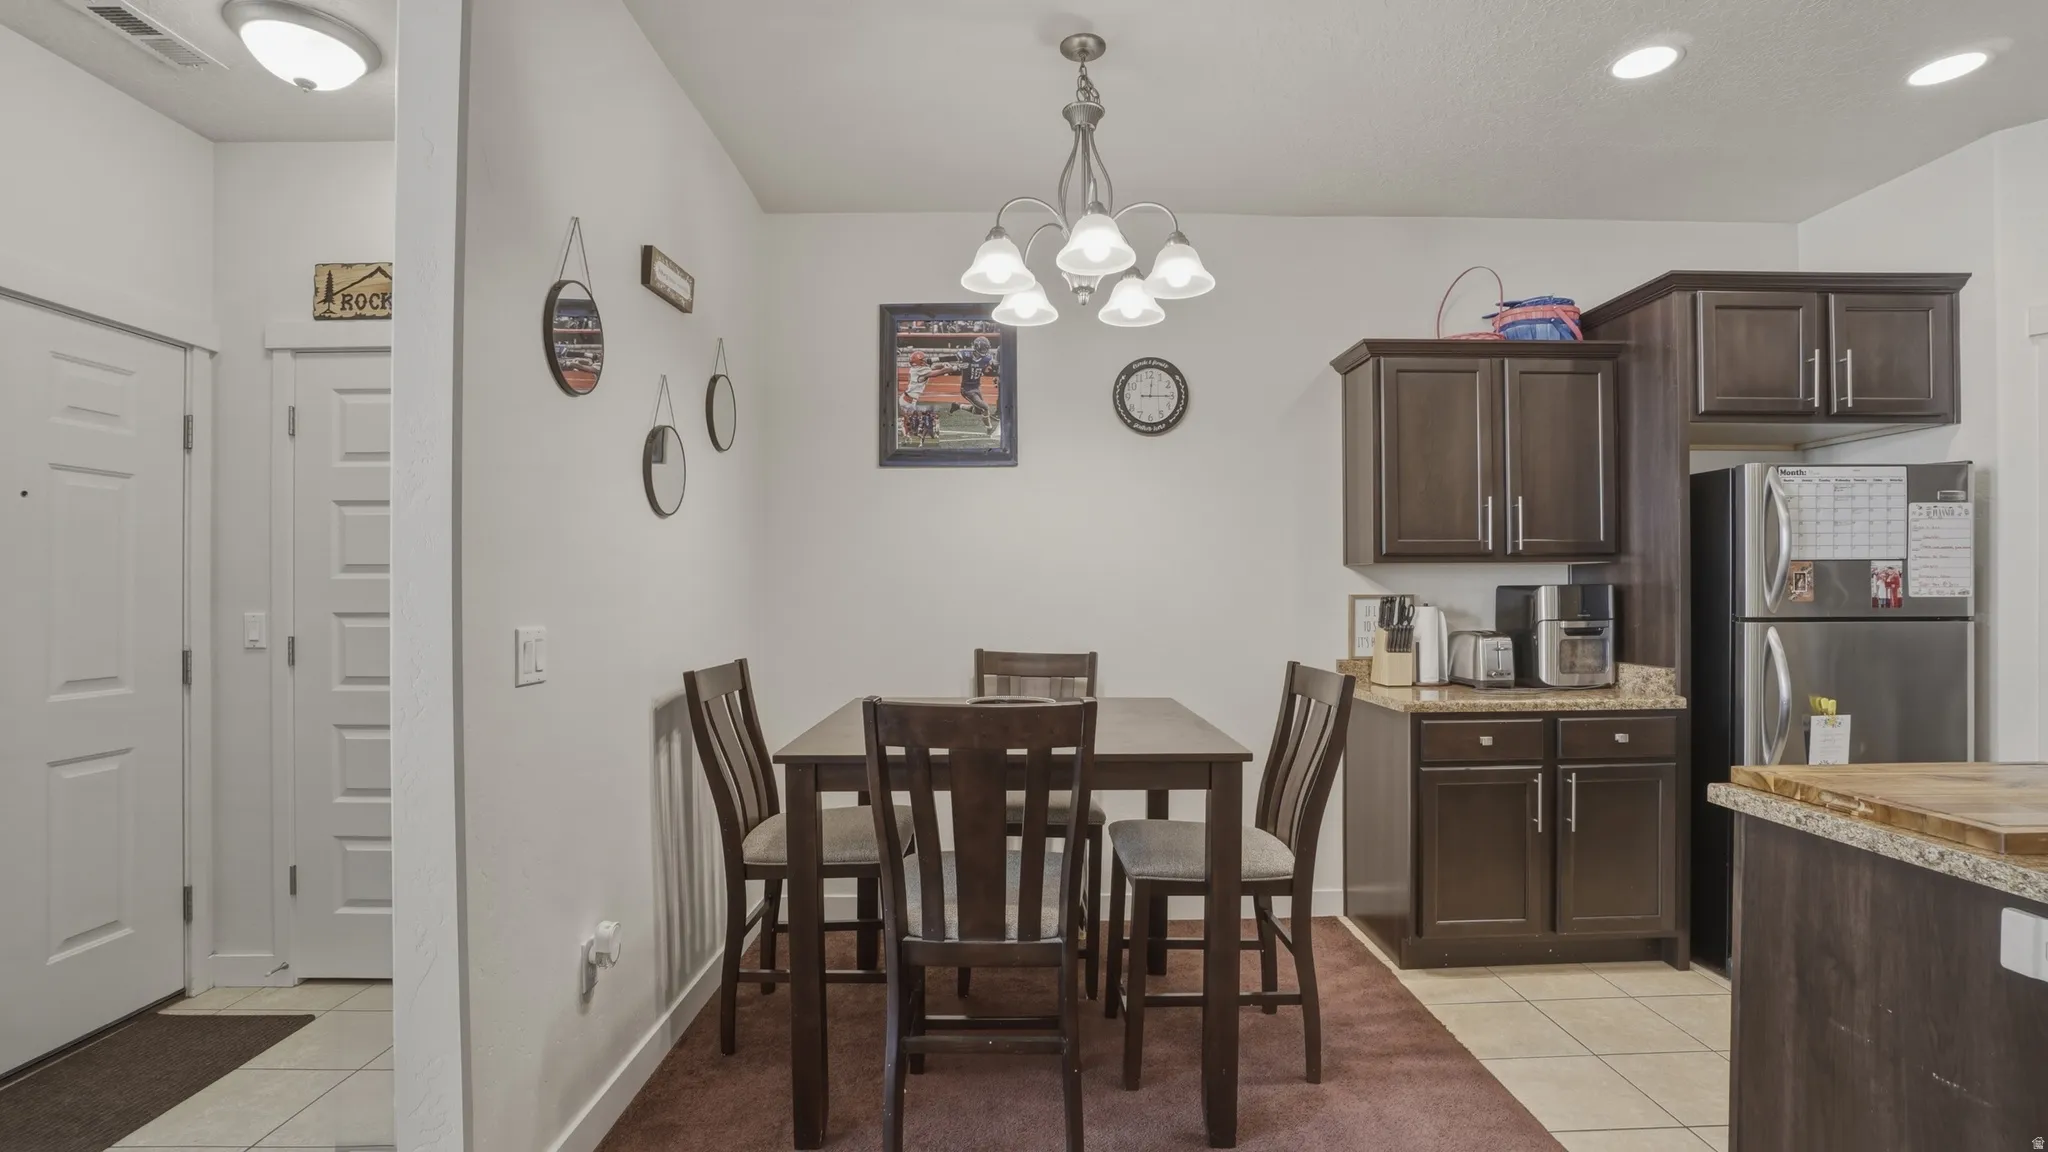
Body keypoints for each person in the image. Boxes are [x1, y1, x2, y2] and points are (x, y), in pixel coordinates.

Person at [946, 335, 997, 433]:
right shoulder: (966, 355)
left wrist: (993, 372)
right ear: (977, 347)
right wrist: (934, 360)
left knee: (978, 411)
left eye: (985, 348)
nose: (984, 350)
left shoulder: (987, 359)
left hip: (976, 387)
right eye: (983, 348)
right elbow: (951, 357)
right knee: (985, 407)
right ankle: (989, 428)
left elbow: (989, 370)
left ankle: (958, 406)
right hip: (967, 389)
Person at [898, 350, 941, 446]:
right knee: (904, 421)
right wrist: (951, 368)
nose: (924, 360)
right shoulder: (919, 370)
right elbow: (933, 372)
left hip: (908, 399)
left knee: (906, 421)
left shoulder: (915, 369)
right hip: (908, 400)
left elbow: (931, 368)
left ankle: (907, 436)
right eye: (922, 359)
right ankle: (907, 436)